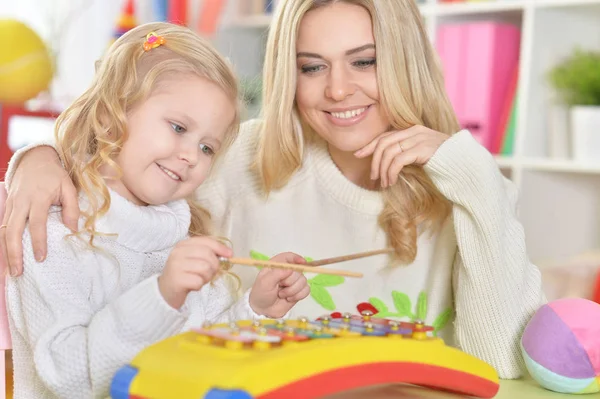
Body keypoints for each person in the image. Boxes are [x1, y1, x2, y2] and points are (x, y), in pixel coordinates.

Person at [2, 0, 544, 380]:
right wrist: (39, 159)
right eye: (312, 67)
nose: (337, 89)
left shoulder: (466, 185)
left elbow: (495, 367)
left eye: (365, 60)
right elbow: (120, 167)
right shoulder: (233, 155)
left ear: (404, 61)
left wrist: (473, 176)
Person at [4, 22, 309, 399]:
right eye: (179, 127)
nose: (190, 156)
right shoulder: (56, 231)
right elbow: (72, 377)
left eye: (207, 148)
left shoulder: (182, 237)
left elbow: (207, 350)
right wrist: (162, 296)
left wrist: (256, 308)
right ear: (109, 114)